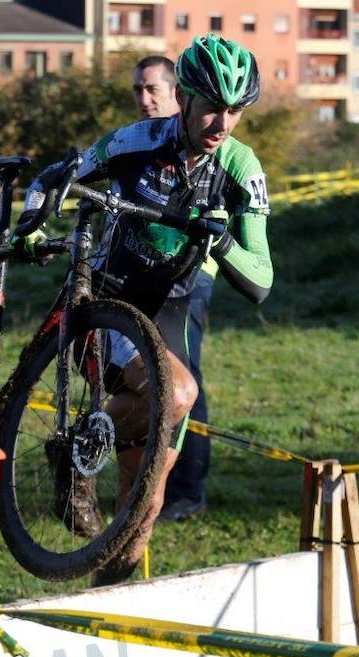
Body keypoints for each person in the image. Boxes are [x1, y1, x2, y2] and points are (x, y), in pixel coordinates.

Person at [21, 34, 272, 586]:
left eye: (235, 111)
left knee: (145, 499)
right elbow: (55, 178)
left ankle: (104, 616)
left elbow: (261, 281)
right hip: (113, 302)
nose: (222, 123)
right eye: (211, 107)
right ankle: (84, 442)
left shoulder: (239, 165)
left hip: (174, 314)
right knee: (179, 392)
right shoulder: (136, 141)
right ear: (183, 97)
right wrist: (30, 222)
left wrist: (224, 242)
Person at [132, 55, 215, 523]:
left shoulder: (201, 143)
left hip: (191, 279)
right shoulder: (140, 141)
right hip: (139, 273)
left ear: (177, 96)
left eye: (152, 90)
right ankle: (138, 480)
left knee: (185, 378)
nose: (144, 99)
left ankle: (186, 490)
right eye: (137, 91)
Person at [131, 55, 180, 120]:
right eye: (138, 90)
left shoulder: (195, 128)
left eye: (153, 89)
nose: (144, 101)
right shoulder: (129, 130)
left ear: (177, 92)